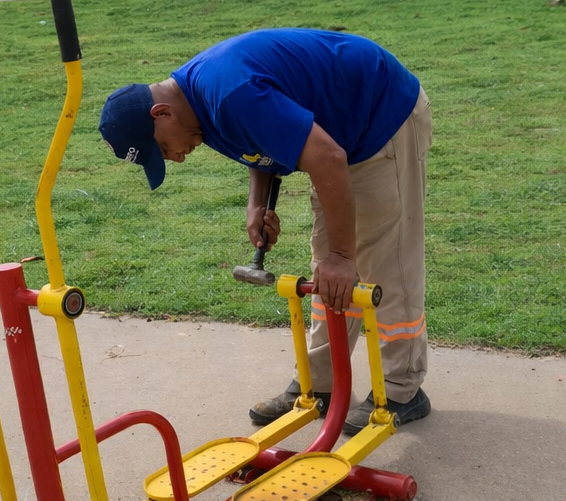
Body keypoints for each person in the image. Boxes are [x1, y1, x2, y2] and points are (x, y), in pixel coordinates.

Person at [98, 28, 433, 434]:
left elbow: (327, 157)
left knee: (384, 260)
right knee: (327, 271)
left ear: (161, 114)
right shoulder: (197, 107)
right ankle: (323, 384)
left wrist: (343, 257)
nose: (176, 159)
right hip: (340, 134)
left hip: (381, 116)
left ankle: (402, 388)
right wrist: (257, 202)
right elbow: (260, 140)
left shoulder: (228, 94)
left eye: (163, 149)